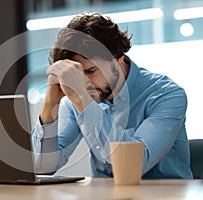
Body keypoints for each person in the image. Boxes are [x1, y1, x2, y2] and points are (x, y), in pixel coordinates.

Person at [31, 13, 193, 179]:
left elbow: (135, 165)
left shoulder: (166, 95)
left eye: (91, 71)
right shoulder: (76, 100)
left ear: (119, 59)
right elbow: (43, 168)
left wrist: (82, 100)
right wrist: (50, 105)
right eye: (77, 74)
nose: (84, 82)